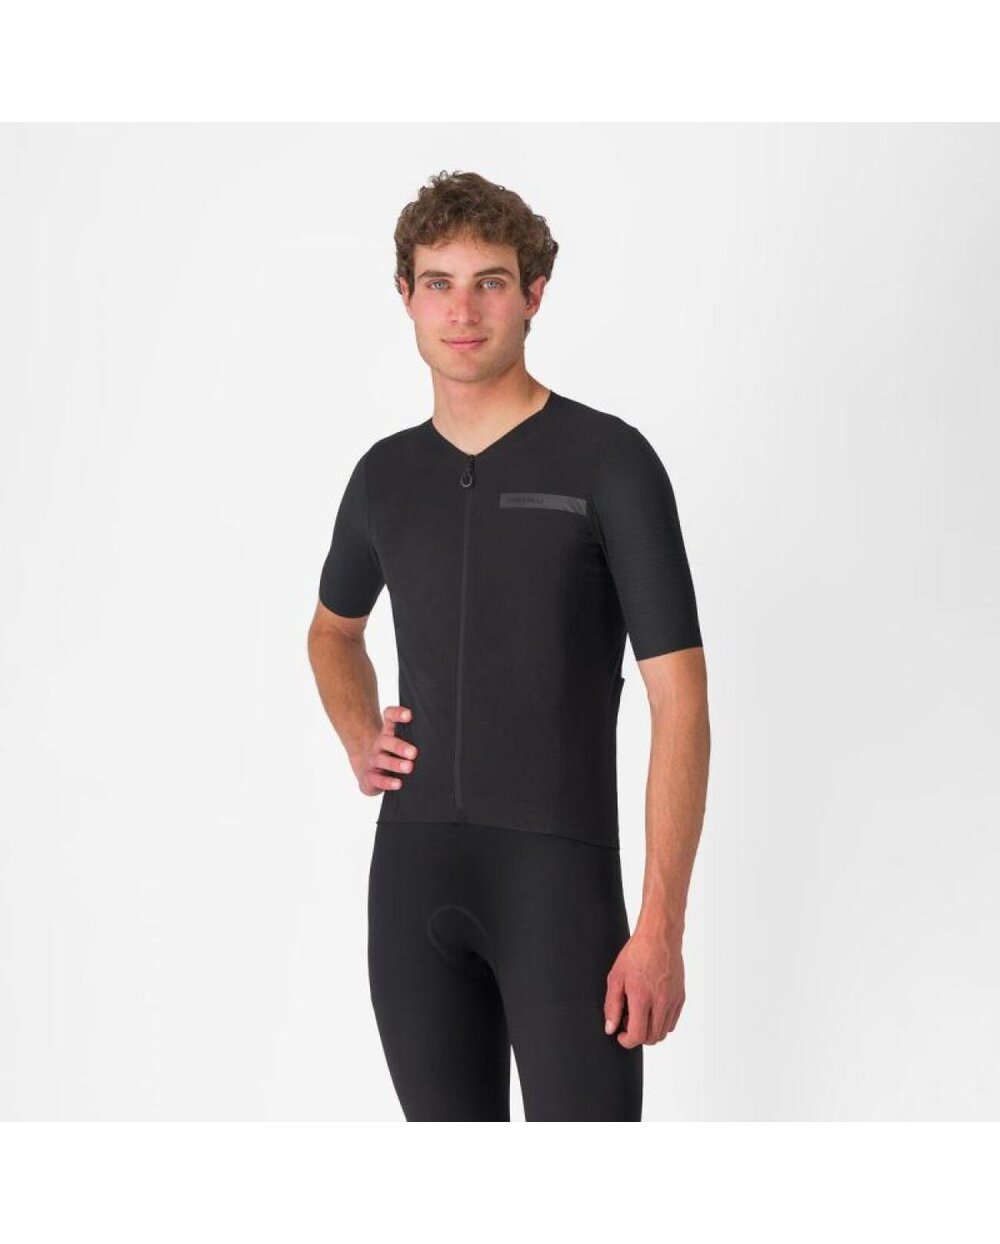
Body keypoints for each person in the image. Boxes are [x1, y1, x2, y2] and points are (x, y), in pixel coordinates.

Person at [307, 170, 711, 1121]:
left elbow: (681, 700)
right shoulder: (384, 476)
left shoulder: (609, 462)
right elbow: (332, 630)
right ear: (405, 295)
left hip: (559, 894)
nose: (462, 310)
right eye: (438, 282)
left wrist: (661, 926)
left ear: (533, 293)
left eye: (489, 281)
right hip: (411, 892)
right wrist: (359, 732)